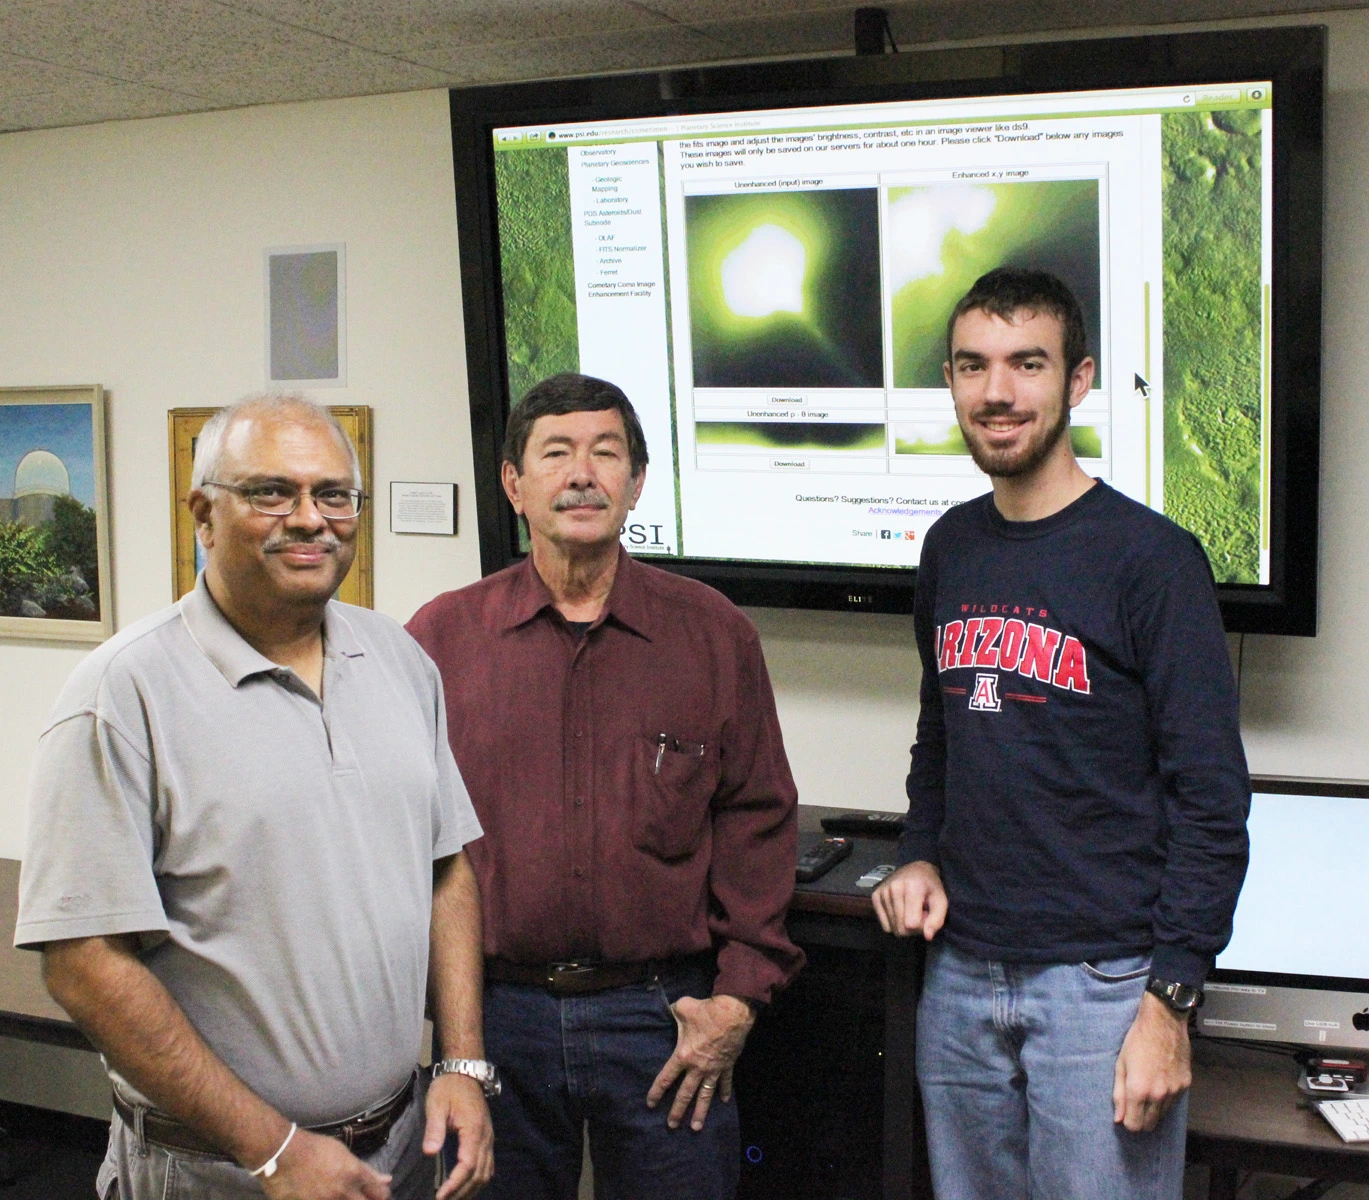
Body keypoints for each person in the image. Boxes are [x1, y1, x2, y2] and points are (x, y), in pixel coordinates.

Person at [15, 394, 496, 1200]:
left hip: (402, 1148)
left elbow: (446, 870)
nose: (310, 519)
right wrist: (272, 1148)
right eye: (272, 491)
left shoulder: (399, 660)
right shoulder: (121, 694)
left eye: (334, 494)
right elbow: (84, 965)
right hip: (218, 1172)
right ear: (203, 513)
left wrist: (461, 1063)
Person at [873, 268, 1250, 1199]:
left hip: (1103, 987)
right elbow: (941, 731)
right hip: (959, 974)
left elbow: (1211, 796)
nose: (996, 392)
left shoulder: (1152, 560)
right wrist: (917, 853)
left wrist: (1169, 1001)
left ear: (1077, 381)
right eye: (972, 365)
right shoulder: (950, 547)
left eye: (1025, 364)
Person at [406, 372, 803, 1200]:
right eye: (555, 453)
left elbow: (756, 821)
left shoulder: (712, 634)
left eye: (605, 453)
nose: (581, 473)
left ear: (637, 482)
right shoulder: (441, 638)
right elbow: (404, 837)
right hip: (494, 1017)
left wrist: (738, 1000)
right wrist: (447, 1035)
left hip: (663, 1020)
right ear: (514, 485)